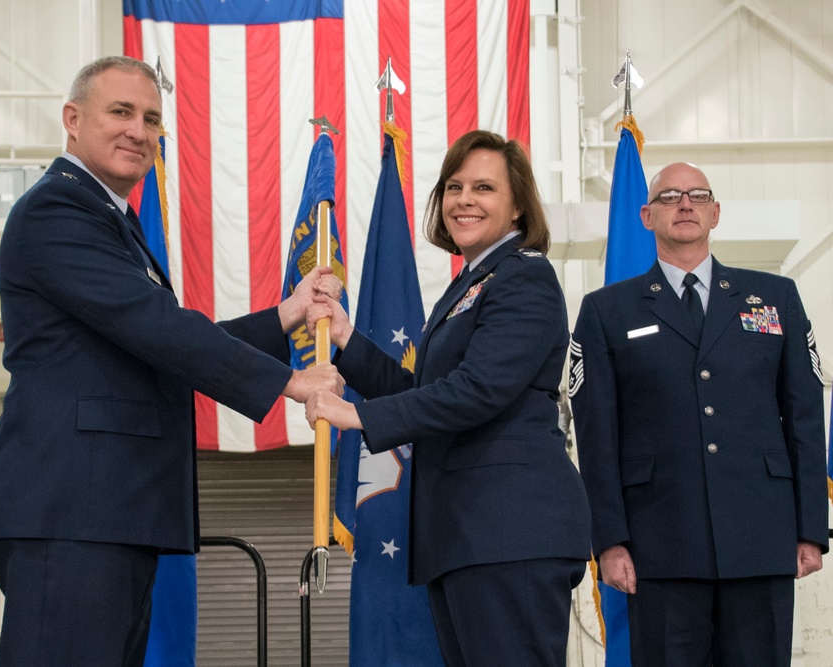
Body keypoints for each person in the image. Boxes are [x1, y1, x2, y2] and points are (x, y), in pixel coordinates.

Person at [0, 56, 344, 666]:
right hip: (73, 512)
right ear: (72, 118)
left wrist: (285, 316)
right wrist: (291, 381)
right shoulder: (57, 212)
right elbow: (158, 328)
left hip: (110, 512)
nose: (138, 132)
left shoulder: (107, 221)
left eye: (150, 118)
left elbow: (150, 344)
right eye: (120, 112)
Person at [305, 130, 591, 666]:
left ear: (518, 206)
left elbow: (477, 391)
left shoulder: (525, 277)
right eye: (454, 186)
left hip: (510, 532)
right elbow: (429, 394)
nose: (464, 199)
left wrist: (357, 416)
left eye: (484, 187)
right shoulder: (469, 284)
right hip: (468, 536)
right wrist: (348, 339)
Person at [569, 162, 828, 666]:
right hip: (659, 544)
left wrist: (810, 528)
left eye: (697, 195)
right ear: (646, 216)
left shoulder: (775, 298)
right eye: (669, 197)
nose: (684, 204)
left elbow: (803, 416)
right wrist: (611, 542)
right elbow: (597, 435)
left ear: (715, 213)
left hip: (761, 536)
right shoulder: (607, 311)